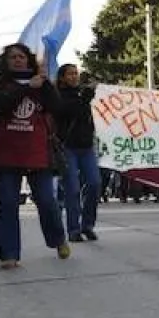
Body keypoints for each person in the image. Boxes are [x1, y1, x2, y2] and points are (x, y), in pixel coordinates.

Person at [0, 44, 70, 268]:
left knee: (46, 200)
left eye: (21, 56)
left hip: (37, 152)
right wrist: (26, 89)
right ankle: (9, 254)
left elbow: (58, 108)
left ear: (29, 60)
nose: (17, 60)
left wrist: (46, 85)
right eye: (12, 57)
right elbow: (1, 105)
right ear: (5, 62)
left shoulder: (41, 83)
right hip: (6, 153)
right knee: (8, 204)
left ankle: (58, 238)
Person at [55, 64, 101, 242]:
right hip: (68, 148)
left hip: (87, 147)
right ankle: (73, 229)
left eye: (76, 73)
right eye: (70, 74)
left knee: (95, 184)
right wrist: (86, 97)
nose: (74, 77)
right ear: (63, 78)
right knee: (72, 189)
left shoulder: (83, 95)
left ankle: (87, 225)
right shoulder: (59, 96)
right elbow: (70, 110)